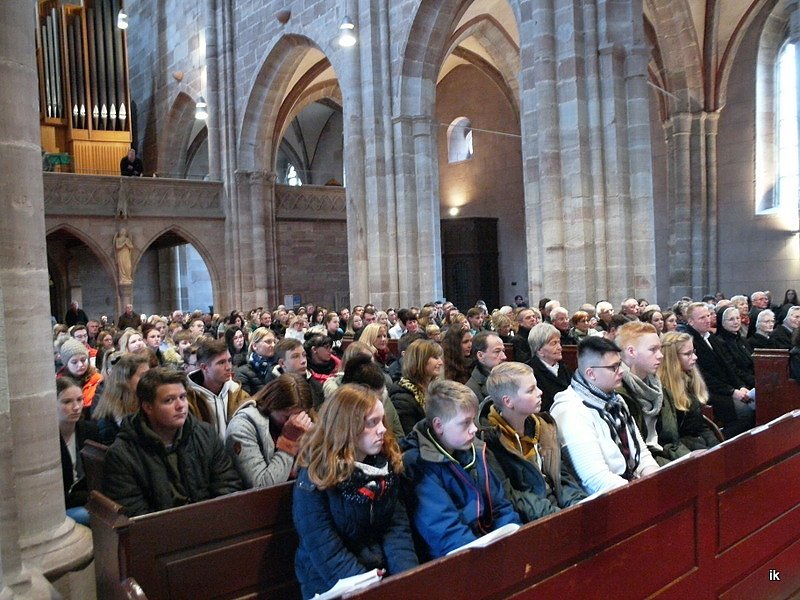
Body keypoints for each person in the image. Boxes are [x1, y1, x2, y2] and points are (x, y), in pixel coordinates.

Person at [292, 384, 418, 598]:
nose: (383, 430)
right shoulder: (315, 477)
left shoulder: (384, 463)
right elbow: (324, 548)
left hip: (377, 574)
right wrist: (369, 588)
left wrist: (405, 580)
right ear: (346, 429)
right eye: (372, 423)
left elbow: (396, 528)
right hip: (331, 583)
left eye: (381, 420)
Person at [401, 379, 521, 559]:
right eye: (465, 423)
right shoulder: (417, 464)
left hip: (489, 548)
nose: (474, 429)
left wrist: (513, 542)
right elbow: (446, 533)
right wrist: (491, 559)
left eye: (473, 420)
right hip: (457, 560)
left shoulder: (475, 448)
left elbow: (501, 506)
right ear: (438, 426)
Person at [102, 368, 242, 516]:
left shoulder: (205, 434)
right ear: (148, 407)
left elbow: (228, 485)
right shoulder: (122, 454)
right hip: (159, 533)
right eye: (169, 400)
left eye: (182, 397)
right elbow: (134, 514)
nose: (180, 405)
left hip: (211, 523)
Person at [549, 336, 659, 494]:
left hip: (629, 485)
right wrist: (642, 492)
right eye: (614, 367)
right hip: (602, 501)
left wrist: (656, 479)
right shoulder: (571, 410)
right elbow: (594, 479)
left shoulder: (616, 399)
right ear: (591, 373)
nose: (621, 371)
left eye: (620, 364)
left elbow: (642, 454)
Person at [481, 362, 586, 521]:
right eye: (531, 390)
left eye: (536, 386)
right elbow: (512, 497)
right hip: (535, 519)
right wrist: (557, 514)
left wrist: (577, 503)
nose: (540, 392)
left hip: (558, 512)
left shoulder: (543, 427)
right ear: (508, 402)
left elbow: (561, 476)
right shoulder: (490, 443)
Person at [225, 373, 314, 488]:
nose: (297, 423)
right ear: (271, 406)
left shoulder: (307, 422)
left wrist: (312, 440)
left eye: (302, 416)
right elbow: (262, 486)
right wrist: (288, 442)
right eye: (287, 417)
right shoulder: (242, 427)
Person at [614, 321, 684, 465]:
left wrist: (687, 458)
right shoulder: (618, 395)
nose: (660, 356)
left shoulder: (660, 389)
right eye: (653, 350)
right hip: (643, 465)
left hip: (665, 457)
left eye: (660, 349)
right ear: (631, 352)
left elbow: (671, 441)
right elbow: (632, 451)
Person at [657, 332, 721, 450]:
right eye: (688, 354)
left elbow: (700, 425)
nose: (695, 357)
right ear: (672, 358)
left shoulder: (689, 379)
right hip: (681, 449)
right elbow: (672, 438)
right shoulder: (662, 391)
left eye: (693, 352)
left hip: (697, 441)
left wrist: (716, 446)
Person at [186, 338, 251, 439]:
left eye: (229, 361)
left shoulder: (239, 395)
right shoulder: (189, 400)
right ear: (204, 368)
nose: (228, 367)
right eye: (221, 363)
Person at [57, 377, 100, 525]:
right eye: (67, 402)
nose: (76, 407)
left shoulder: (90, 430)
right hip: (62, 505)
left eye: (80, 400)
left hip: (88, 498)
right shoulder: (47, 440)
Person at [91, 352, 151, 444]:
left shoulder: (144, 402)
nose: (149, 380)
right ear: (126, 380)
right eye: (143, 376)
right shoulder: (108, 418)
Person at [388, 339, 444, 434]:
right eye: (435, 357)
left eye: (440, 357)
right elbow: (411, 437)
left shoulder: (434, 389)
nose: (441, 362)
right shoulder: (402, 398)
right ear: (420, 360)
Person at [527, 323, 572, 411]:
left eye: (559, 342)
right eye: (554, 343)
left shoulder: (564, 368)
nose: (560, 347)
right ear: (540, 350)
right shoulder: (530, 372)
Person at [56, 337, 103, 412]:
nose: (80, 365)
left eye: (83, 360)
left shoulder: (98, 380)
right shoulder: (59, 384)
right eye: (74, 362)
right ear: (66, 365)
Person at [235, 327, 278, 395]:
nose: (273, 345)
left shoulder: (279, 367)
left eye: (274, 342)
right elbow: (245, 401)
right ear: (255, 346)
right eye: (268, 342)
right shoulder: (242, 373)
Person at [465, 331, 506, 401]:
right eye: (497, 351)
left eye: (503, 351)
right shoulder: (470, 392)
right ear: (480, 355)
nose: (504, 357)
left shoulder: (507, 377)